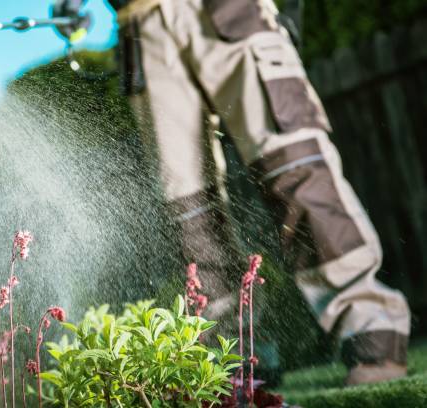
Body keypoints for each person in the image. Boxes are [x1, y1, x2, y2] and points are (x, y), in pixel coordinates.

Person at [53, 0, 411, 385]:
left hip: (230, 12)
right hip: (142, 31)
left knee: (294, 167)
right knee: (189, 213)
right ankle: (237, 365)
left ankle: (373, 336)